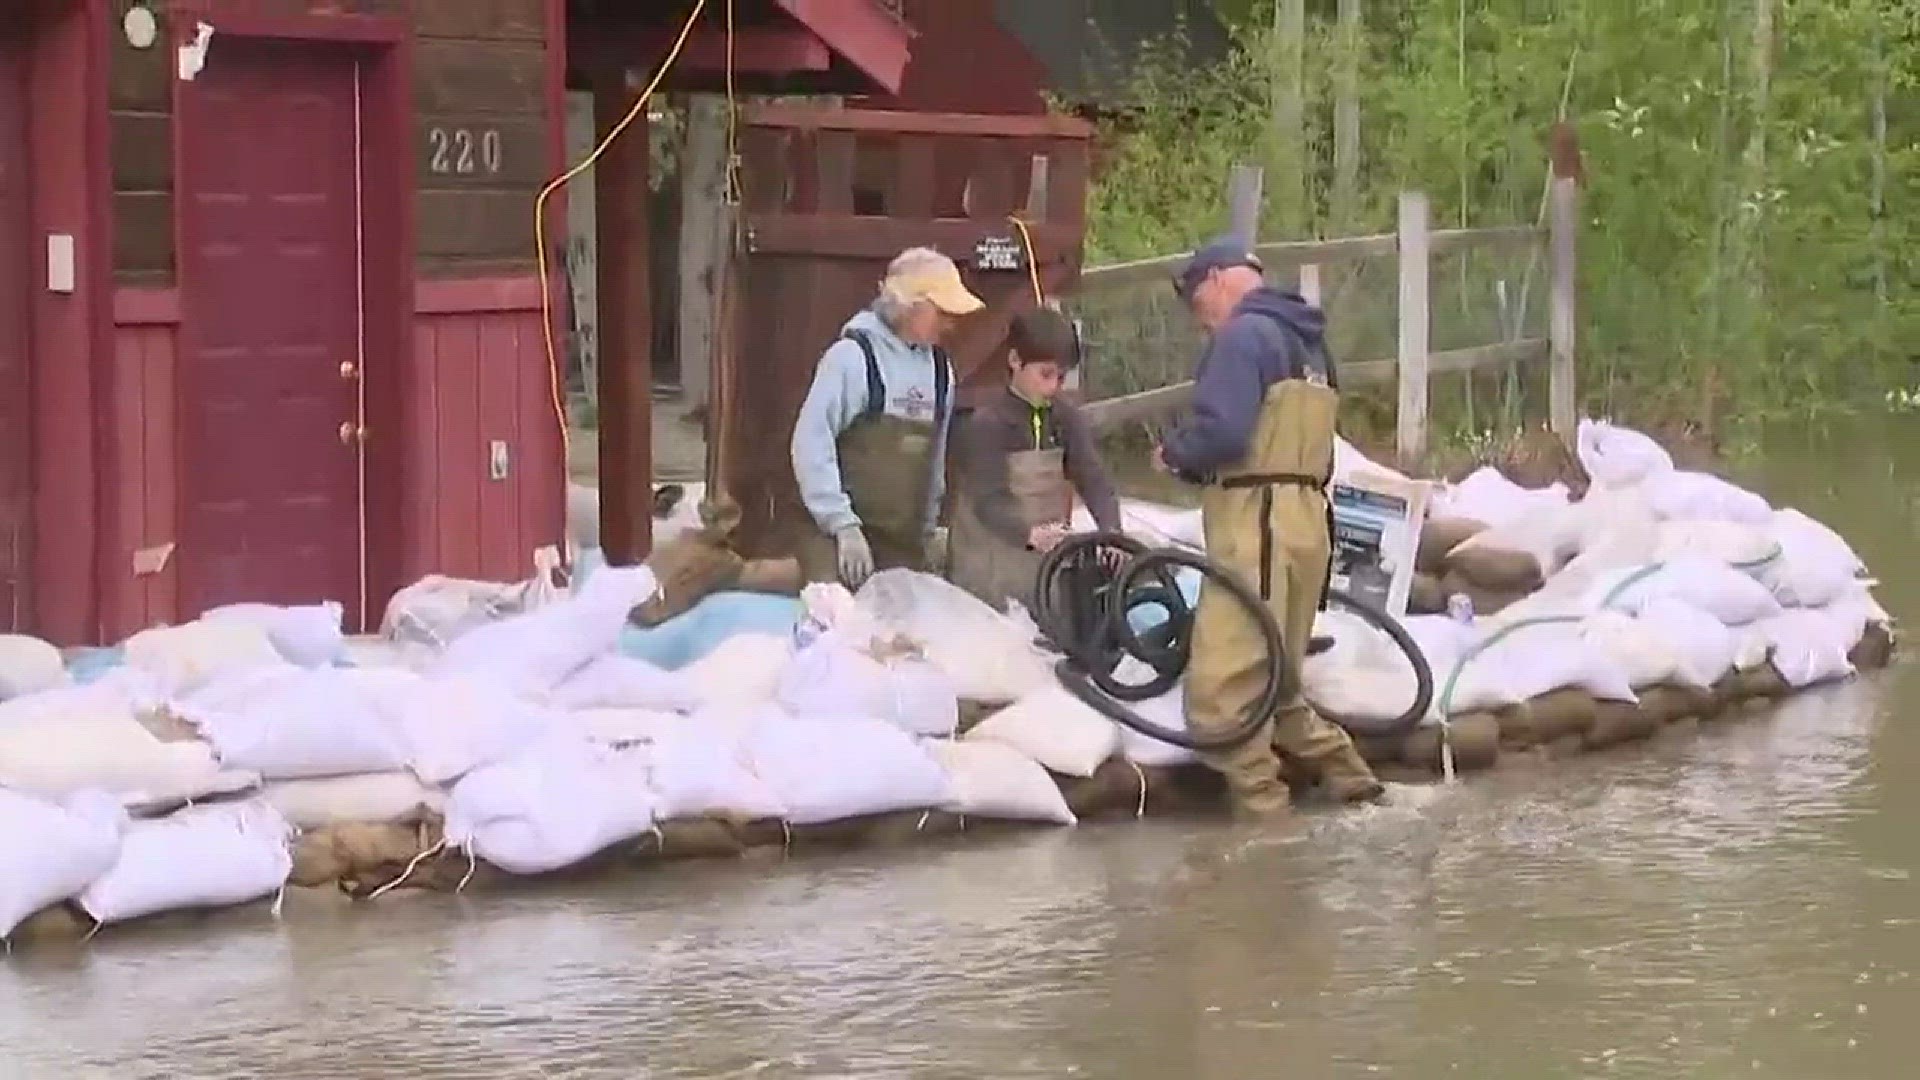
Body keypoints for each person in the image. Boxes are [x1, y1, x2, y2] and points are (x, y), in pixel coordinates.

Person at [1153, 237, 1384, 818]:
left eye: (1195, 300)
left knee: (1221, 695)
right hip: (1307, 517)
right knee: (1279, 681)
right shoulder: (1310, 342)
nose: (1197, 318)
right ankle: (1356, 786)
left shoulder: (1241, 337)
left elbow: (1226, 435)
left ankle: (1268, 826)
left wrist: (1178, 452)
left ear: (1217, 281)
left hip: (1255, 519)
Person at [791, 247, 984, 588]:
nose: (950, 323)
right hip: (838, 539)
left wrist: (928, 530)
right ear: (910, 306)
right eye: (942, 312)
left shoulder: (942, 372)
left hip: (902, 545)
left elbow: (934, 459)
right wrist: (842, 525)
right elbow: (810, 444)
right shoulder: (850, 359)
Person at [947, 307, 1123, 611]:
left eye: (1060, 377)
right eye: (1045, 374)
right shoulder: (987, 424)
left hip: (1041, 567)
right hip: (987, 567)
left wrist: (1111, 529)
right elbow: (989, 499)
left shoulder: (1066, 418)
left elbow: (1091, 475)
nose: (1053, 386)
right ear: (1015, 361)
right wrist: (1028, 534)